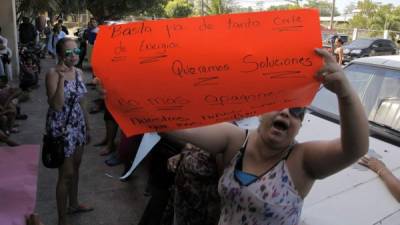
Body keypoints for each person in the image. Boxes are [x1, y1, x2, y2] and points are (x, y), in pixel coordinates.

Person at [162, 49, 369, 225]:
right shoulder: (236, 140)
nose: (287, 112)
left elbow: (354, 149)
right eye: (279, 103)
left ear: (299, 126)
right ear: (261, 111)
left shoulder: (303, 160)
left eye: (297, 111)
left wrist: (346, 94)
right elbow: (183, 129)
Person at [45, 37, 93, 225]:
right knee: (66, 174)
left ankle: (73, 204)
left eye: (77, 52)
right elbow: (56, 105)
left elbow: (83, 101)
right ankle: (62, 219)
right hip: (61, 128)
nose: (74, 56)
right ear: (59, 54)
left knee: (76, 169)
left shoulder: (80, 72)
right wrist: (62, 77)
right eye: (69, 53)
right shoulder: (52, 73)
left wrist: (88, 126)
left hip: (78, 125)